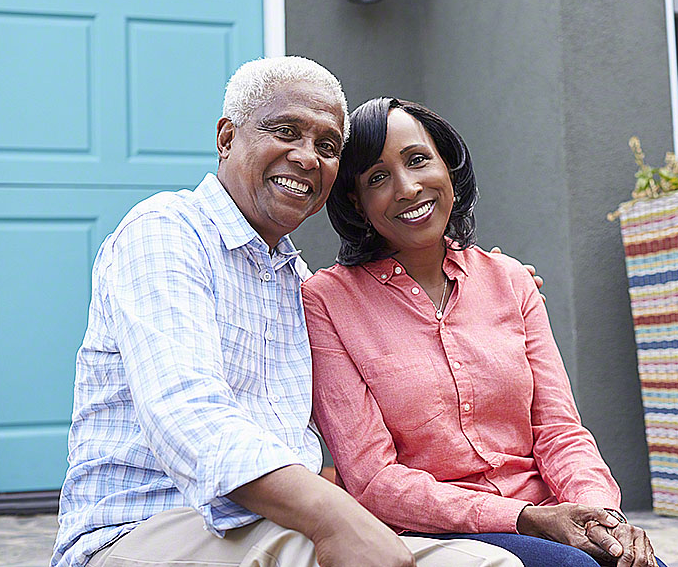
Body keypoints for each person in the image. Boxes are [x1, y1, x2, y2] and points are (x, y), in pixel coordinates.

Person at [52, 57, 526, 567]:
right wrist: (335, 517)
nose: (307, 158)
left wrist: (482, 294)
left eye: (327, 147)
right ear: (227, 138)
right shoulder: (166, 232)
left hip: (270, 526)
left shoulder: (297, 282)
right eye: (286, 132)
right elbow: (188, 413)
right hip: (141, 528)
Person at [303, 98, 665, 567]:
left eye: (418, 160)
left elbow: (559, 431)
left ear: (448, 167)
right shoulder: (327, 302)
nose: (407, 187)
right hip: (432, 531)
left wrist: (600, 515)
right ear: (356, 201)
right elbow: (373, 480)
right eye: (377, 178)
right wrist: (525, 518)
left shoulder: (510, 280)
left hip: (547, 514)